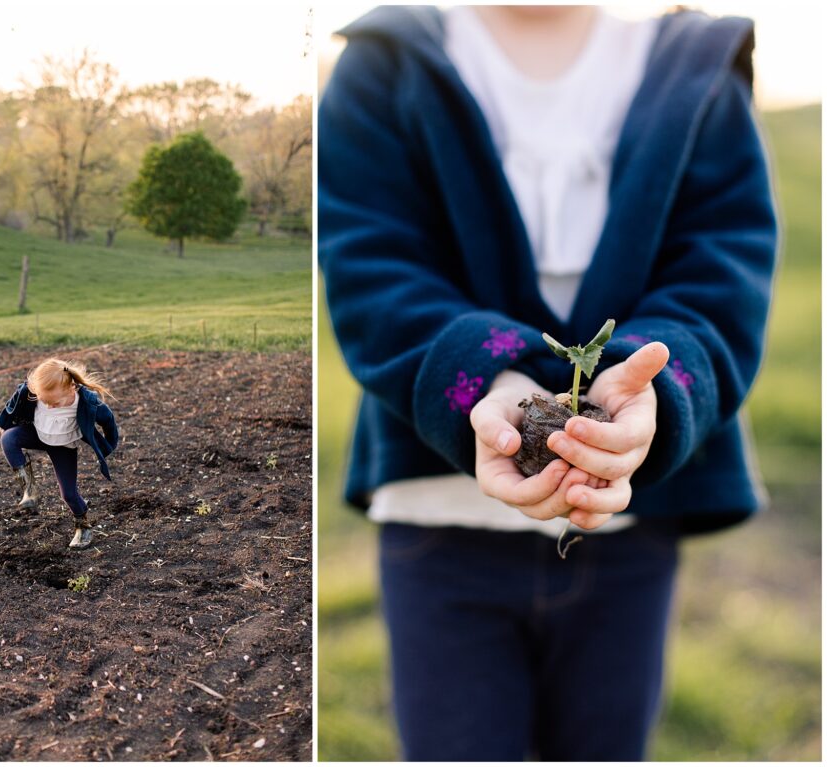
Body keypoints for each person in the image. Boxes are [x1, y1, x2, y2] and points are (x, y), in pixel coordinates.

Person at [319, 4, 776, 761]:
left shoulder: (694, 66)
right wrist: (485, 384)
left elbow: (722, 273)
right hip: (440, 523)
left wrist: (648, 395)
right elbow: (373, 268)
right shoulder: (384, 62)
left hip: (628, 526)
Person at [0, 358, 119, 549]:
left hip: (63, 446)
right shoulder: (31, 393)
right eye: (45, 401)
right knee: (8, 438)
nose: (50, 406)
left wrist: (108, 445)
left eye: (54, 402)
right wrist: (5, 427)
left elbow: (108, 420)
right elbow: (11, 407)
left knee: (68, 494)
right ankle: (30, 490)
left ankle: (83, 526)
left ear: (71, 387)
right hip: (37, 435)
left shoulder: (87, 402)